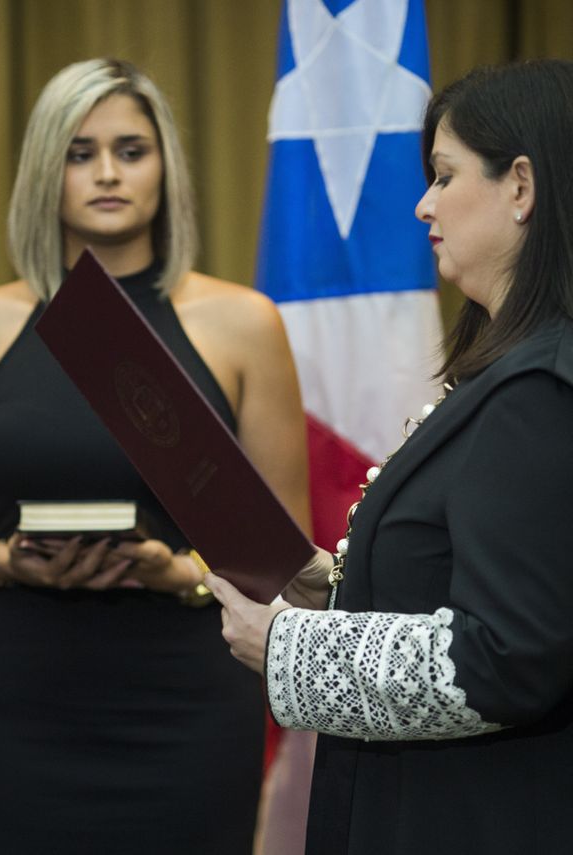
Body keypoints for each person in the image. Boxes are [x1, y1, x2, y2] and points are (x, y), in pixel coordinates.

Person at [0, 58, 311, 853]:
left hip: (191, 700)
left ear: (166, 167)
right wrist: (8, 559)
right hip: (22, 706)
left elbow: (287, 562)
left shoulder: (243, 322)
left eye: (131, 149)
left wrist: (179, 571)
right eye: (79, 153)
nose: (108, 172)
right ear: (46, 169)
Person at [208, 59, 573, 855]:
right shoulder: (513, 370)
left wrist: (288, 648)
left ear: (521, 186)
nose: (423, 204)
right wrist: (337, 585)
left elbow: (506, 657)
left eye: (444, 176)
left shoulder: (540, 387)